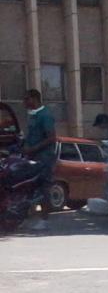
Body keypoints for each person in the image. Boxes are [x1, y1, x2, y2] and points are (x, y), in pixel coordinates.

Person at [22, 89, 57, 231]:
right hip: (33, 158)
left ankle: (44, 220)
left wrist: (33, 149)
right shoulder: (33, 116)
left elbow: (51, 137)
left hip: (44, 158)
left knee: (44, 187)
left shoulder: (45, 115)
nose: (24, 102)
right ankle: (26, 217)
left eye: (27, 99)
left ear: (35, 99)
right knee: (29, 187)